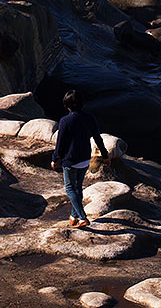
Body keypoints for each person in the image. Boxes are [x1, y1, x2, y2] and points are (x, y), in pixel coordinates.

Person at [51, 90, 112, 229]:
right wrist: (105, 155)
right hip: (85, 159)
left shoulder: (65, 121)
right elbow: (97, 137)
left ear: (67, 105)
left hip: (71, 160)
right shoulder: (89, 117)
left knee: (70, 188)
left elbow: (60, 143)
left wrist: (55, 158)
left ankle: (82, 217)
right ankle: (74, 216)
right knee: (78, 188)